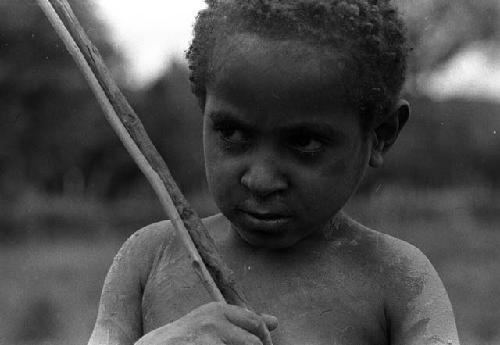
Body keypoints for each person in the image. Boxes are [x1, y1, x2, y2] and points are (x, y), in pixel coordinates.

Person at [89, 0, 460, 344]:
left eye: (304, 143)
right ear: (203, 108)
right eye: (233, 134)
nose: (260, 181)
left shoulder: (399, 278)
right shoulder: (149, 258)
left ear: (381, 135)